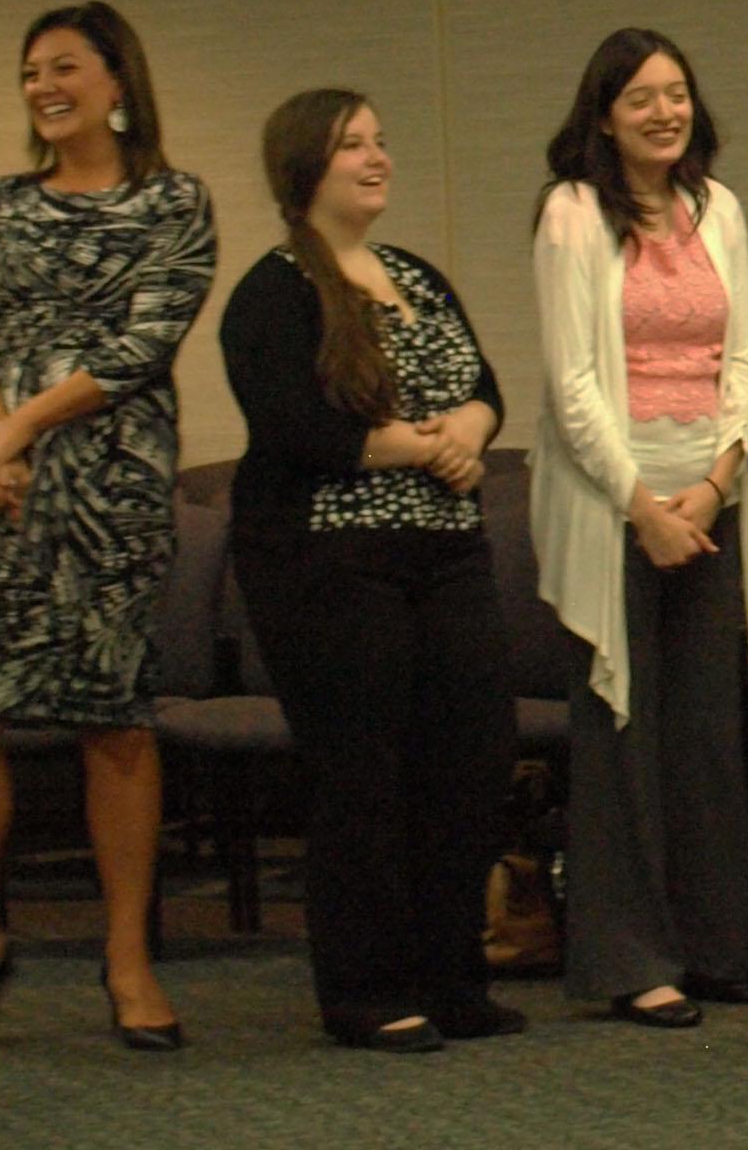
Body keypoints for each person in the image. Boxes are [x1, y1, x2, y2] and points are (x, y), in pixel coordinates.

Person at [0, 1, 214, 1056]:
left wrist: (18, 428)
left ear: (117, 81)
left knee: (113, 719)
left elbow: (141, 345)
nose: (43, 88)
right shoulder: (1, 204)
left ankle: (127, 958)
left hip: (113, 487)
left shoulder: (173, 201)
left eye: (64, 67)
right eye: (31, 73)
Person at [220, 88, 522, 1052]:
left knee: (470, 758)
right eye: (354, 144)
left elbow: (484, 387)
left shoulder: (415, 274)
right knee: (365, 774)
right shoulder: (272, 291)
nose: (377, 157)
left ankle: (453, 978)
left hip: (446, 550)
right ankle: (365, 989)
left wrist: (470, 426)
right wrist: (428, 447)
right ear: (305, 167)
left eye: (381, 141)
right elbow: (298, 428)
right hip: (329, 557)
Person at [530, 28, 748, 1029]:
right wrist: (642, 507)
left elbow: (746, 362)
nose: (664, 112)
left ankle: (719, 945)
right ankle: (633, 959)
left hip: (710, 498)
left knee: (709, 731)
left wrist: (715, 486)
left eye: (676, 93)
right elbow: (571, 385)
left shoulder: (719, 208)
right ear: (604, 116)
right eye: (641, 97)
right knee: (623, 734)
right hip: (612, 509)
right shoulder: (571, 214)